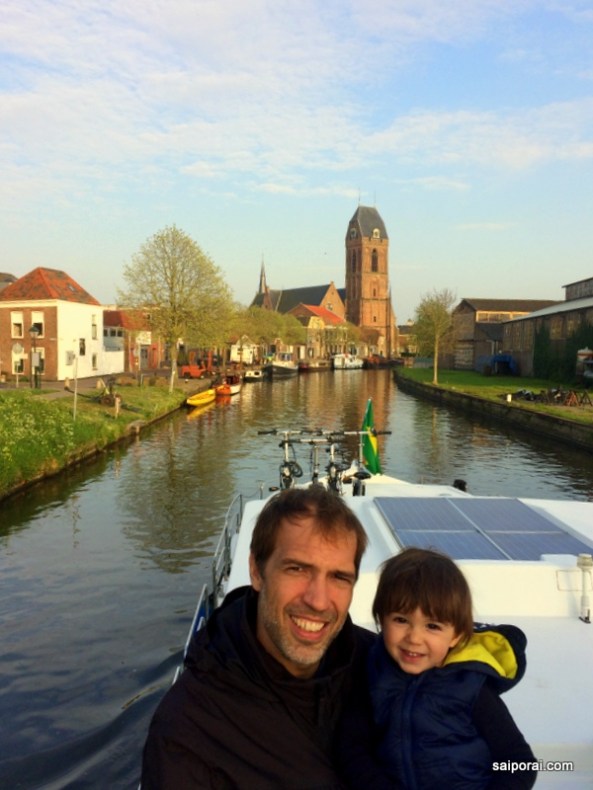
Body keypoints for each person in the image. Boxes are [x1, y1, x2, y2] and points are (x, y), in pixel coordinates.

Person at [141, 486, 374, 789]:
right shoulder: (188, 731)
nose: (318, 601)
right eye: (297, 569)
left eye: (339, 577)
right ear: (256, 571)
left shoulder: (380, 663)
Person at [338, 547, 537, 789]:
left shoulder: (471, 686)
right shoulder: (372, 674)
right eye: (401, 620)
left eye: (432, 626)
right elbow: (352, 749)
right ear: (381, 619)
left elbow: (520, 762)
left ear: (457, 635)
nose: (414, 638)